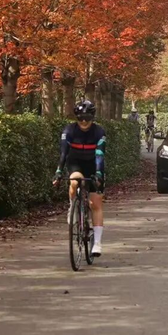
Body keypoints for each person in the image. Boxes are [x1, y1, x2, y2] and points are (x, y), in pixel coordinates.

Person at [53, 99, 106, 257]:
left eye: (87, 118)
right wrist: (58, 171)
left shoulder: (99, 132)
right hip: (75, 162)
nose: (84, 121)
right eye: (81, 118)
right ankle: (72, 206)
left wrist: (98, 174)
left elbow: (100, 155)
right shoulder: (69, 131)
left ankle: (97, 243)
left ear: (92, 118)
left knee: (96, 202)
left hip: (93, 164)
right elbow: (63, 154)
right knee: (75, 180)